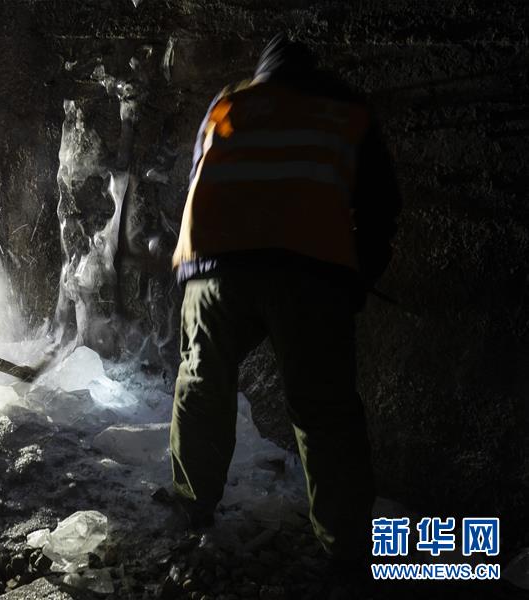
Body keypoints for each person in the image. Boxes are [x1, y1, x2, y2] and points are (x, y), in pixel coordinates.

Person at [168, 34, 401, 562]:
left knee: (202, 382)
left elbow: (200, 182)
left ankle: (191, 505)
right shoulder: (346, 110)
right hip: (308, 273)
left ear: (263, 71)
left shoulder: (226, 103)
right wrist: (356, 281)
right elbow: (381, 208)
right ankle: (346, 547)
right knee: (323, 408)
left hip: (213, 269)